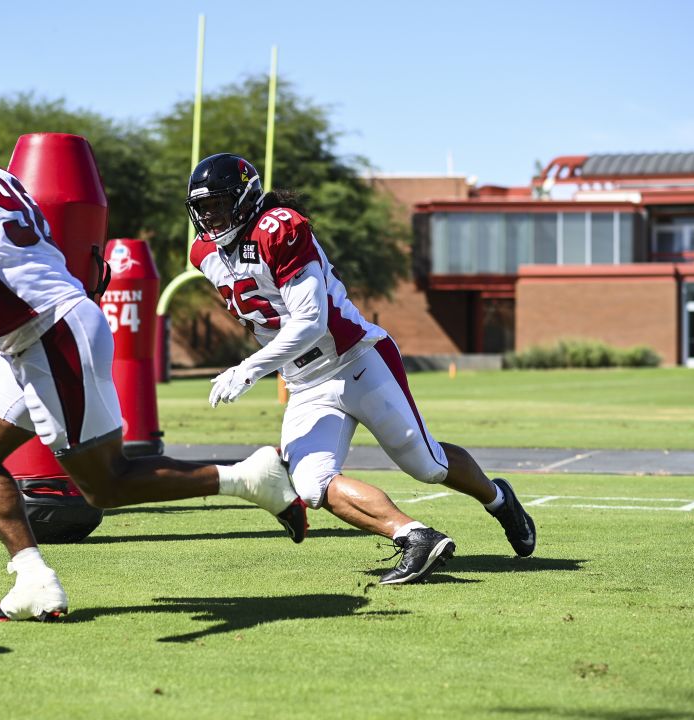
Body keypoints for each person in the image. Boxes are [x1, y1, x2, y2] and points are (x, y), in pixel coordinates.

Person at [0, 97, 307, 621]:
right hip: (39, 331)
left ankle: (249, 477)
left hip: (48, 332)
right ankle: (33, 581)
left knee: (105, 484)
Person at [185, 153, 537, 584]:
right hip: (304, 383)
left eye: (219, 204)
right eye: (202, 208)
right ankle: (414, 537)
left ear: (246, 199)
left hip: (356, 360)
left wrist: (248, 370)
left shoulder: (280, 227)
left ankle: (499, 499)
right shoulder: (203, 253)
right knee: (311, 484)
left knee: (427, 465)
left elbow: (310, 321)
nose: (210, 216)